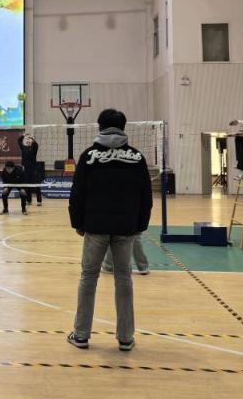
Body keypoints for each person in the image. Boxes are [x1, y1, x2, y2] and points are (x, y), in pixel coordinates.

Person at [67, 109, 152, 352]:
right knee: (123, 279)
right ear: (123, 127)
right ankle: (125, 338)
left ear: (100, 127)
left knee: (88, 278)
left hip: (95, 227)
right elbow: (146, 196)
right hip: (126, 228)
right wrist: (139, 226)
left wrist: (78, 224)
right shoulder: (136, 157)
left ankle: (81, 335)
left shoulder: (88, 156)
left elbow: (77, 193)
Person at [18, 133, 42, 206]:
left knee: (36, 185)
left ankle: (39, 201)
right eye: (27, 140)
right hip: (26, 169)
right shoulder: (23, 148)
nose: (28, 141)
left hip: (34, 169)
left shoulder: (34, 148)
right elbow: (19, 141)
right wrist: (23, 135)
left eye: (29, 140)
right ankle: (29, 200)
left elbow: (36, 145)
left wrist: (33, 139)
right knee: (26, 185)